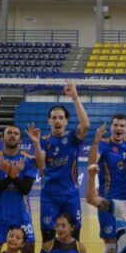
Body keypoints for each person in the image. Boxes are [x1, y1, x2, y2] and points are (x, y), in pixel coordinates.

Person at [0, 124, 44, 253]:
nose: (12, 136)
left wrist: (11, 175)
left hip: (22, 217)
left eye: (16, 133)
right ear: (2, 138)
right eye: (9, 133)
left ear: (20, 140)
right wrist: (12, 176)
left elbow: (25, 189)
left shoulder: (27, 160)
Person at [39, 80, 90, 242]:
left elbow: (86, 125)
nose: (57, 120)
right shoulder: (42, 141)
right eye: (54, 118)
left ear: (66, 121)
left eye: (61, 118)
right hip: (49, 195)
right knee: (48, 237)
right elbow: (40, 166)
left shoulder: (72, 138)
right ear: (49, 121)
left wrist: (75, 98)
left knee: (74, 236)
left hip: (70, 195)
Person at [88, 116, 126, 253]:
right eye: (116, 125)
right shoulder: (103, 145)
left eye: (122, 126)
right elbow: (93, 161)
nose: (118, 128)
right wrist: (96, 140)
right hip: (107, 201)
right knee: (110, 247)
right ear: (111, 127)